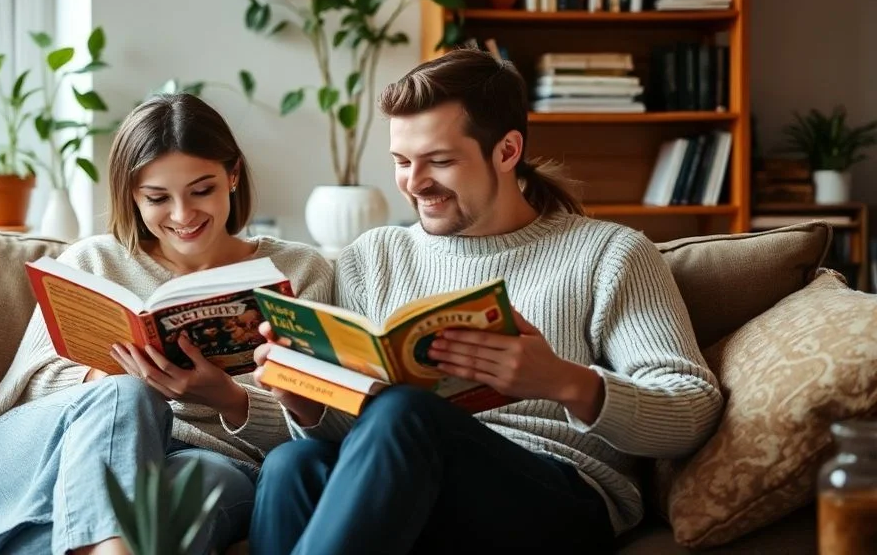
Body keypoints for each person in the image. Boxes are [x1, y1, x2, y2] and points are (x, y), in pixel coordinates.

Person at [249, 48, 724, 554]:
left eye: (440, 161)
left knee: (407, 412)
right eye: (402, 162)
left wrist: (565, 381)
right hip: (413, 486)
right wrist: (306, 405)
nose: (415, 183)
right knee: (291, 465)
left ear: (506, 150)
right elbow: (364, 438)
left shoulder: (609, 253)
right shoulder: (372, 257)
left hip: (556, 497)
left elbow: (693, 411)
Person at [0, 94, 334, 555]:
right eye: (157, 198)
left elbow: (321, 426)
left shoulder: (299, 271)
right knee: (128, 393)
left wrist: (226, 397)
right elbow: (28, 389)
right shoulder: (92, 260)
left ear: (232, 175)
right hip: (42, 456)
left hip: (208, 458)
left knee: (201, 488)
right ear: (132, 195)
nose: (183, 215)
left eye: (202, 190)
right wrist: (116, 375)